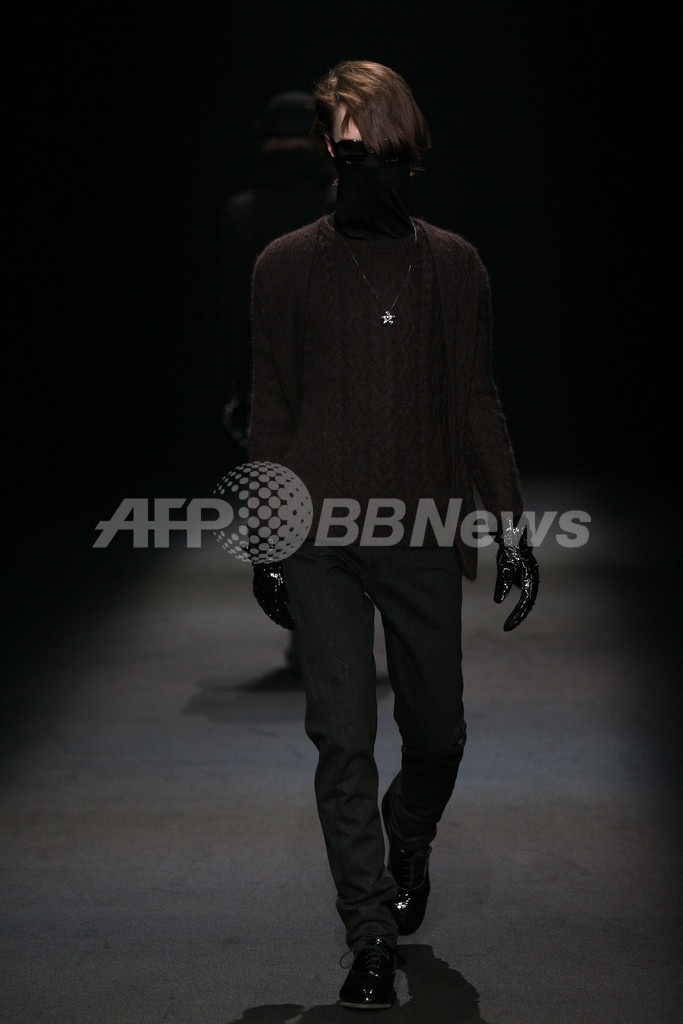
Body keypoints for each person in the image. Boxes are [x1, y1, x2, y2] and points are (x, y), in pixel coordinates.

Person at [247, 60, 539, 1010]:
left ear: (405, 145)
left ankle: (408, 835)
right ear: (326, 148)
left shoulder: (453, 265)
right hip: (319, 534)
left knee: (437, 735)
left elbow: (474, 400)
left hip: (420, 525)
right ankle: (368, 933)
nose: (356, 151)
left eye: (371, 135)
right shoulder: (283, 265)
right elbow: (273, 406)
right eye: (342, 136)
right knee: (341, 734)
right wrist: (265, 538)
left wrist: (509, 527)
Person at [216, 90, 335, 681]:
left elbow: (233, 313)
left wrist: (235, 388)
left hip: (272, 382)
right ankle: (331, 636)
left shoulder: (243, 212)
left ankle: (309, 637)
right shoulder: (343, 204)